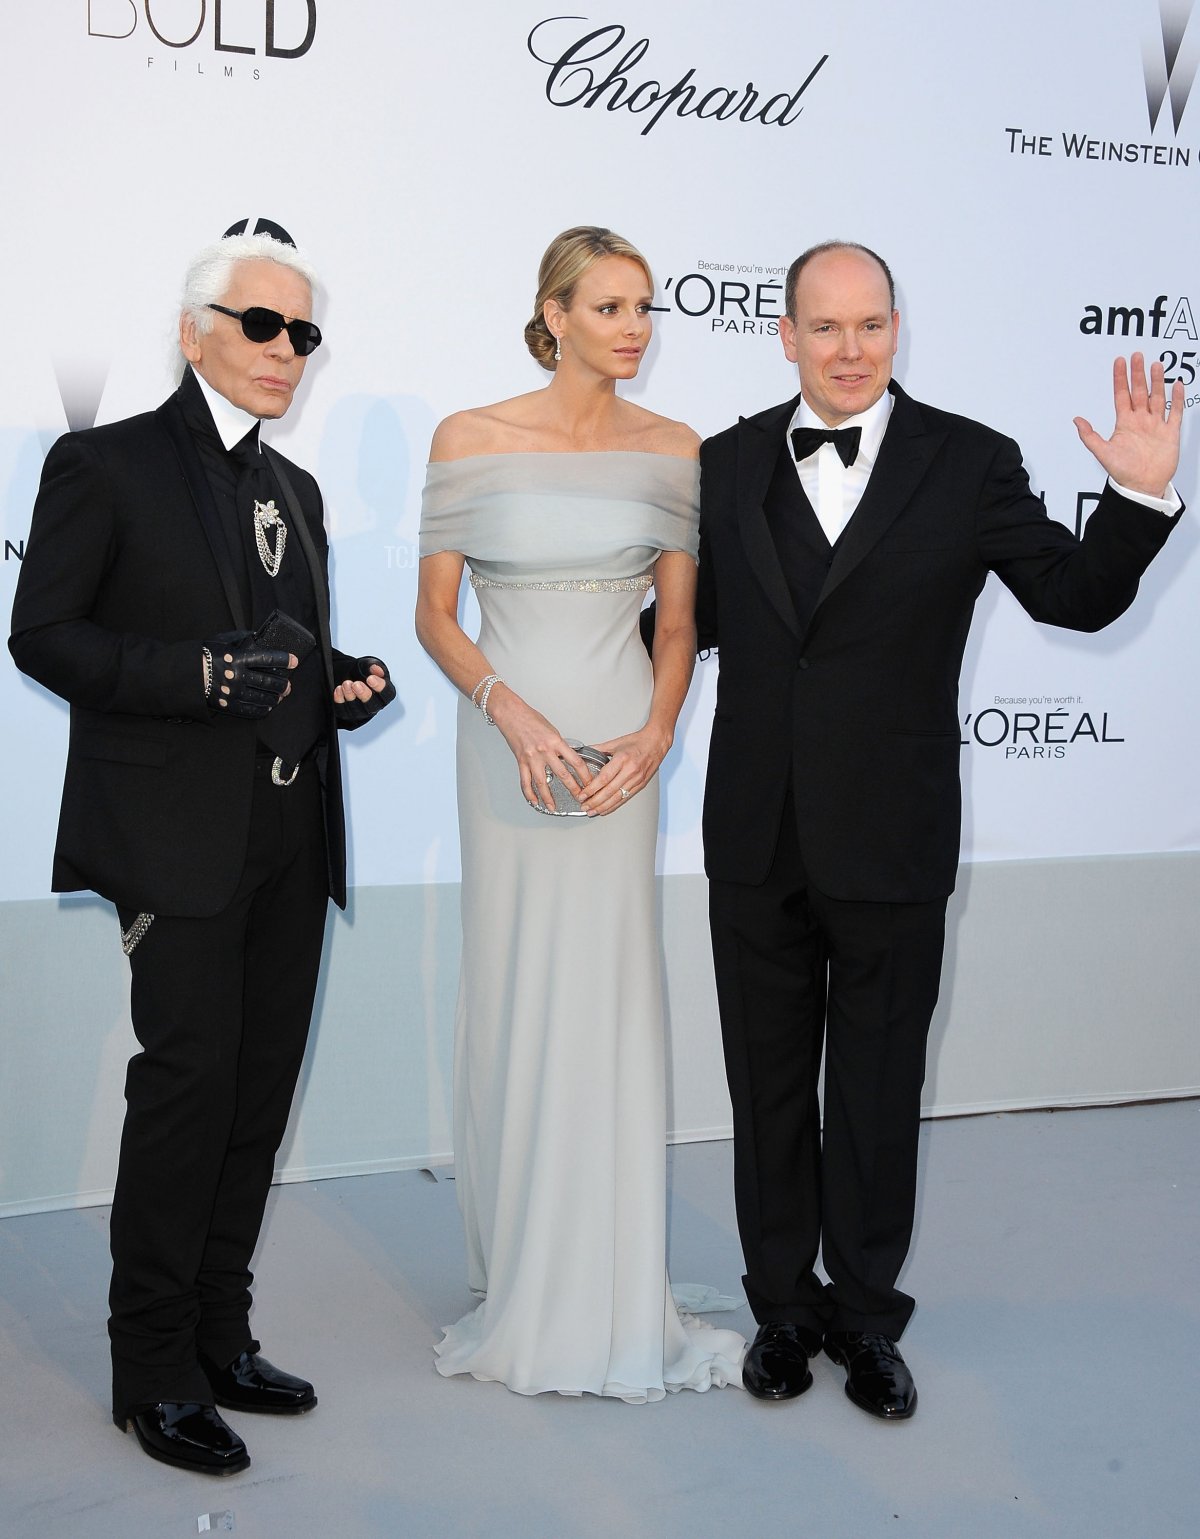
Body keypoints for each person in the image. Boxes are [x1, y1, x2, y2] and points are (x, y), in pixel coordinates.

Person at [695, 240, 1183, 1419]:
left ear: (896, 329)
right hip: (756, 830)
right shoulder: (723, 460)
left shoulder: (969, 462)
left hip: (892, 837)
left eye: (871, 325)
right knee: (766, 1089)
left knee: (875, 1092)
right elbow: (678, 622)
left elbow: (1075, 598)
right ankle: (782, 1309)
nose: (850, 349)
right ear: (786, 335)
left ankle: (867, 1318)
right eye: (825, 327)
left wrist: (1137, 498)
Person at [9, 220, 394, 1475]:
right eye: (262, 324)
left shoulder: (300, 492)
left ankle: (222, 1337)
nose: (286, 349)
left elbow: (279, 644)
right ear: (194, 332)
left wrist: (342, 679)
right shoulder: (104, 463)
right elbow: (43, 635)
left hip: (291, 838)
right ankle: (153, 1370)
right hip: (173, 840)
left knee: (256, 1095)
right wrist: (196, 677)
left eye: (304, 332)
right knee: (187, 1097)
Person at [415, 225, 745, 1400]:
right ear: (553, 314)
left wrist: (655, 736)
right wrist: (506, 709)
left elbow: (679, 625)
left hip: (616, 751)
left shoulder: (674, 449)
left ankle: (603, 1275)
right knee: (516, 981)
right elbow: (437, 618)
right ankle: (519, 1259)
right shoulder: (470, 438)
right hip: (505, 743)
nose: (635, 328)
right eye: (611, 307)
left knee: (606, 991)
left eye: (645, 307)